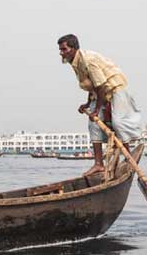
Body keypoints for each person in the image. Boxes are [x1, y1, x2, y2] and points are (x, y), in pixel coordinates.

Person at [58, 34, 142, 176]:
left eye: (64, 49)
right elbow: (92, 85)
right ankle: (99, 164)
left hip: (115, 88)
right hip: (101, 92)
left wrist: (96, 109)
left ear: (74, 48)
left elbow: (101, 85)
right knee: (94, 125)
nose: (61, 53)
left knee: (118, 122)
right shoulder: (74, 61)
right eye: (60, 50)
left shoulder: (88, 60)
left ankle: (127, 156)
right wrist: (89, 104)